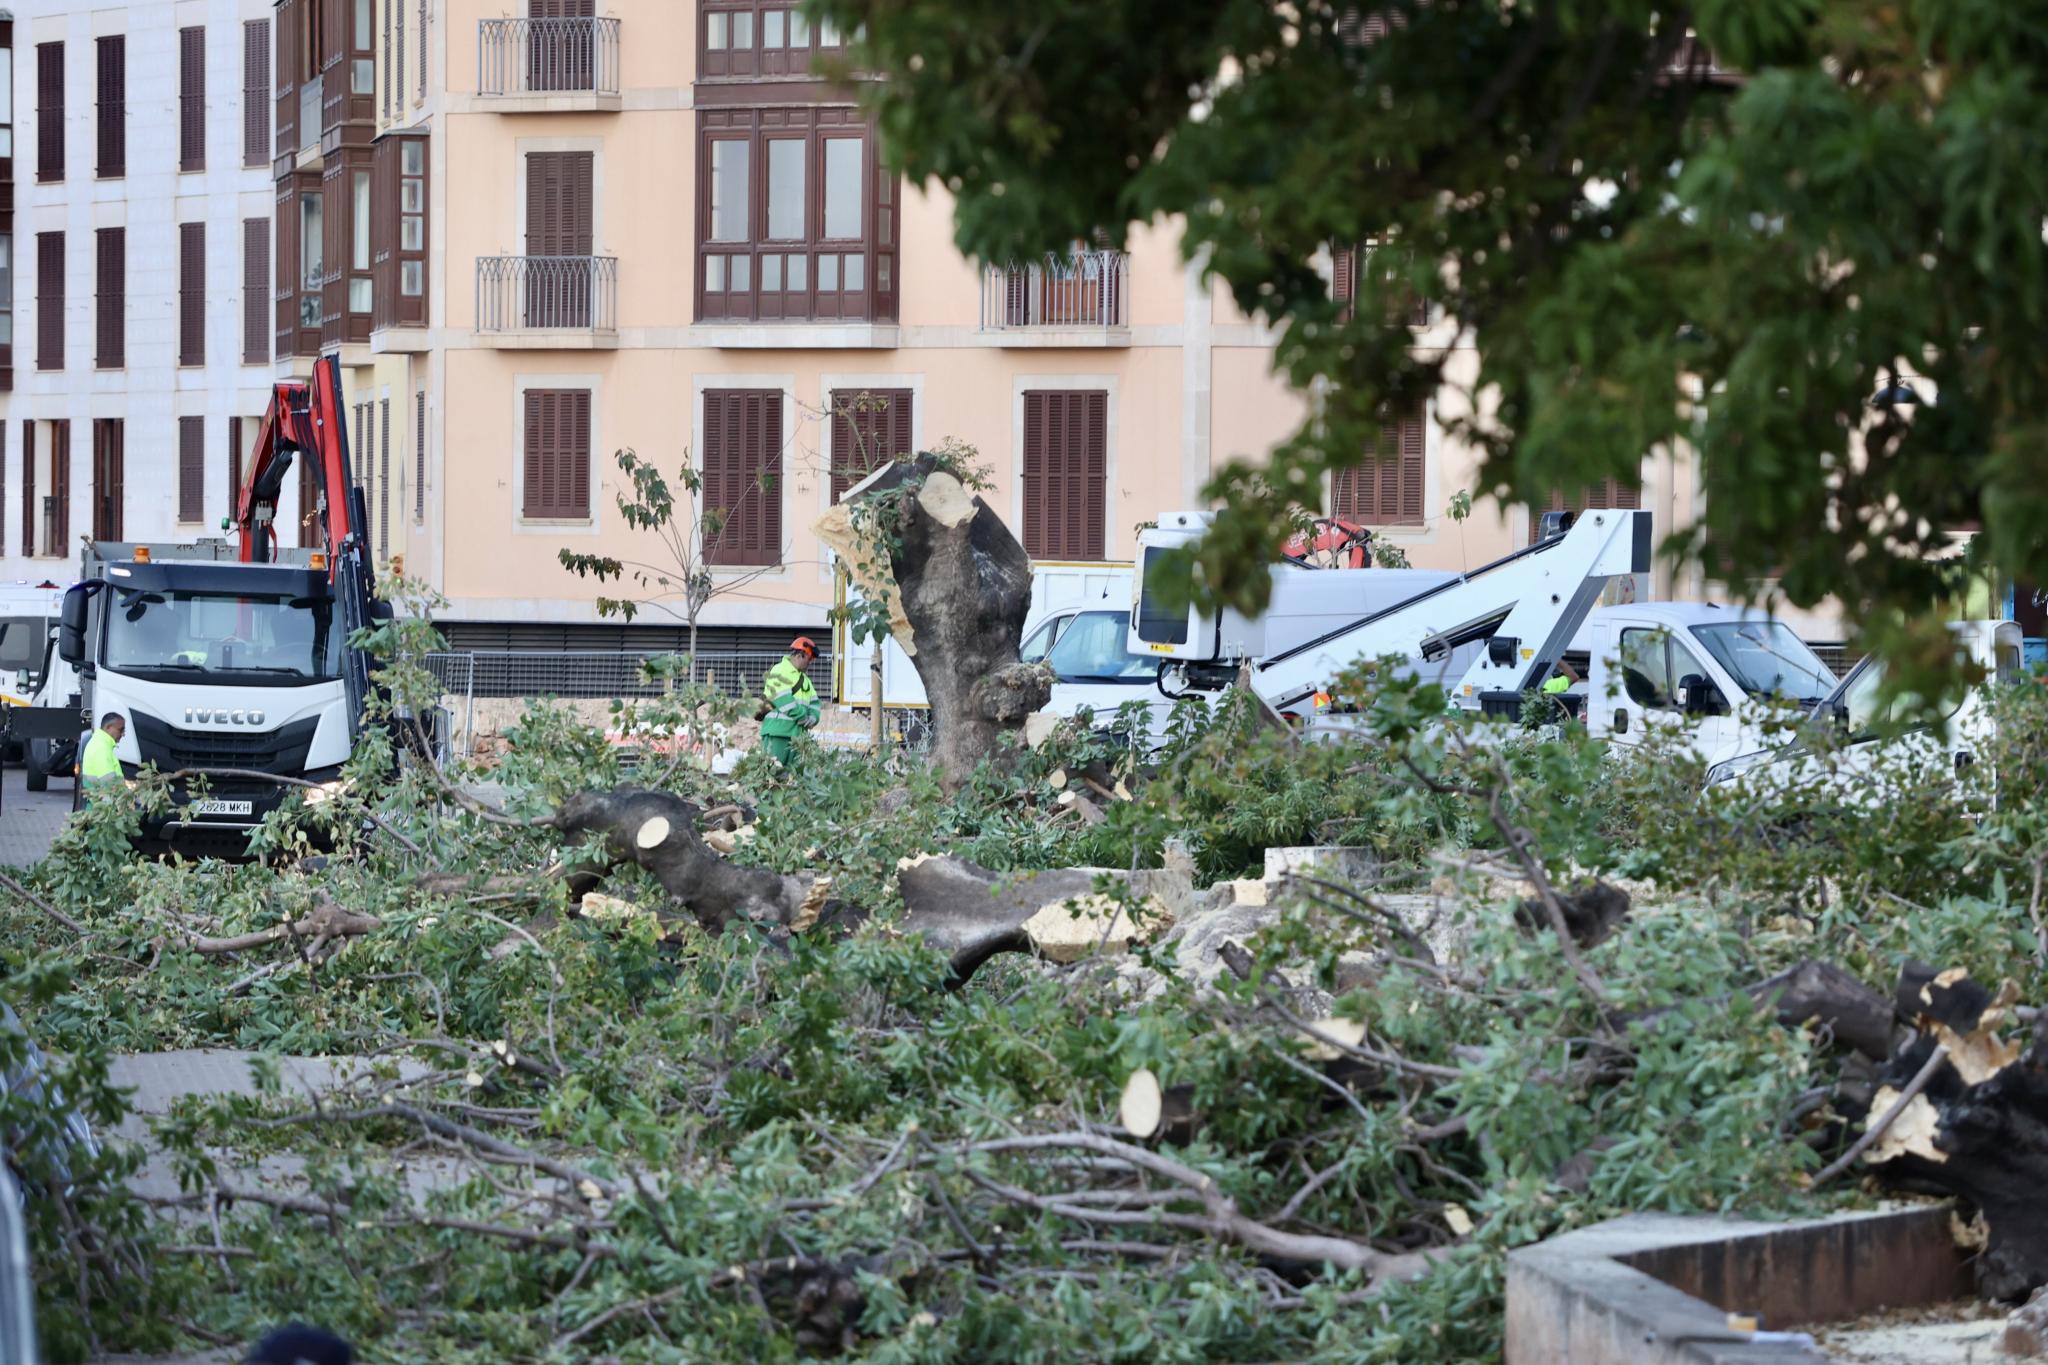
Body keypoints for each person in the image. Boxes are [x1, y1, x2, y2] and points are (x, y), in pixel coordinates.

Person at [759, 637, 821, 766]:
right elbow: (784, 701)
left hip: (797, 737)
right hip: (778, 733)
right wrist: (804, 718)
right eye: (809, 659)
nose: (810, 663)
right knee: (772, 775)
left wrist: (813, 718)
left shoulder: (805, 680)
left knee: (792, 779)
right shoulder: (780, 670)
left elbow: (815, 703)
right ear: (799, 655)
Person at [79, 712, 126, 790]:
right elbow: (110, 784)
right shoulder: (101, 748)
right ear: (108, 727)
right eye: (120, 730)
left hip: (98, 800)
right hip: (106, 801)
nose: (123, 734)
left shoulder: (98, 743)